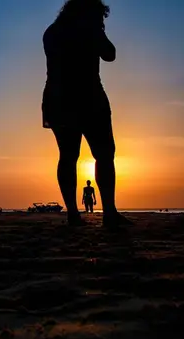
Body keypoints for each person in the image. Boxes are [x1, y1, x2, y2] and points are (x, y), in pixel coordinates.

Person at [42, 0, 131, 227]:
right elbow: (110, 54)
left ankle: (73, 213)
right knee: (104, 154)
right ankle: (109, 212)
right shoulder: (89, 29)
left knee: (68, 156)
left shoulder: (52, 32)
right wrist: (98, 31)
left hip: (58, 99)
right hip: (89, 98)